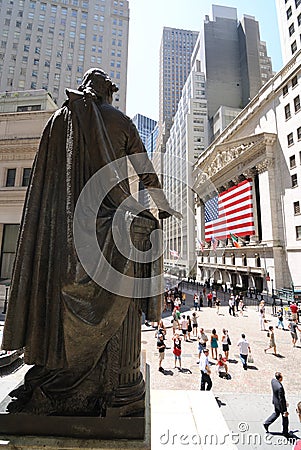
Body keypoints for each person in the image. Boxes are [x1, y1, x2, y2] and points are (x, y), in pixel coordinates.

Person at [1, 68, 181, 416]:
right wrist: (162, 207)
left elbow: (46, 184)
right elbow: (144, 171)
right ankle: (106, 379)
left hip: (60, 232)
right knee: (145, 234)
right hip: (111, 221)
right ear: (106, 92)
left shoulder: (57, 120)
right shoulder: (121, 121)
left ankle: (55, 366)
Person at [263, 372, 289, 438]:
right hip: (280, 405)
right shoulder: (280, 387)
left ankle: (266, 423)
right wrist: (284, 409)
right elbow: (281, 399)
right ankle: (285, 432)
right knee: (285, 419)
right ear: (280, 378)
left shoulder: (273, 381)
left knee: (276, 414)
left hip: (275, 401)